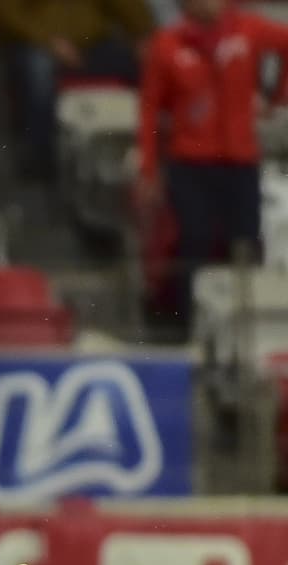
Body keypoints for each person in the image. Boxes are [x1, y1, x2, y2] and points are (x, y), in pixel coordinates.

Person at [136, 0, 288, 338]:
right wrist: (148, 168)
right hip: (190, 163)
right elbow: (148, 109)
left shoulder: (249, 29)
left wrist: (276, 96)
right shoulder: (168, 44)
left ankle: (248, 332)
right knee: (195, 240)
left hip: (240, 160)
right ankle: (189, 328)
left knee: (246, 242)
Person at [0, 0, 154, 179]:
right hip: (36, 44)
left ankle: (153, 155)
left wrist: (144, 35)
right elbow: (6, 14)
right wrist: (49, 41)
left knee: (150, 66)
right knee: (38, 75)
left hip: (92, 43)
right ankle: (42, 166)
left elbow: (128, 6)